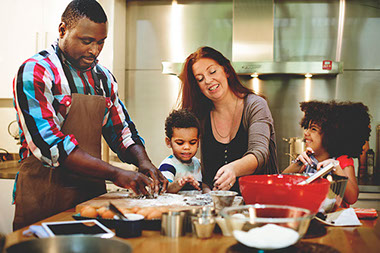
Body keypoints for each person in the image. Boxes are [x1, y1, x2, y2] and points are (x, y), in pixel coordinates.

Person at [12, 0, 167, 230]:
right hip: (43, 197)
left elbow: (121, 131)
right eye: (87, 41)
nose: (95, 50)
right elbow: (52, 146)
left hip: (91, 198)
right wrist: (117, 173)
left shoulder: (103, 78)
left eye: (101, 42)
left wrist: (144, 162)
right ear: (63, 30)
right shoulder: (36, 71)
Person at [179, 46, 278, 193]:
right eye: (200, 79)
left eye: (212, 71)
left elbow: (260, 154)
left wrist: (233, 169)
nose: (208, 80)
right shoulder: (201, 116)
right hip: (216, 207)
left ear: (226, 71)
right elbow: (205, 175)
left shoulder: (255, 105)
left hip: (257, 203)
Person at [282, 101, 371, 206]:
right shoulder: (308, 160)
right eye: (307, 127)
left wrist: (336, 169)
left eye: (313, 129)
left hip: (335, 218)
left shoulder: (342, 161)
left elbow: (352, 197)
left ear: (330, 135)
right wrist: (297, 163)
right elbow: (281, 182)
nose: (306, 132)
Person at [159, 109, 211, 193]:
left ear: (198, 142)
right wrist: (179, 183)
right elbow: (165, 189)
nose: (187, 147)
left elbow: (203, 185)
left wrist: (209, 192)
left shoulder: (197, 164)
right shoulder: (168, 165)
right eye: (180, 143)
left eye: (192, 142)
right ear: (168, 142)